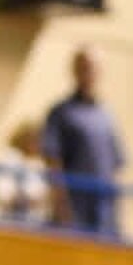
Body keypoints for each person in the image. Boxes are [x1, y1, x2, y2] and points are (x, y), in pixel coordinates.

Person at [42, 48, 126, 236]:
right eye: (84, 68)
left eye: (93, 68)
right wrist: (62, 210)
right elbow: (53, 163)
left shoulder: (106, 115)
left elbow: (115, 167)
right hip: (73, 215)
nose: (89, 73)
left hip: (104, 217)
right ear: (74, 71)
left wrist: (116, 217)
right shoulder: (60, 113)